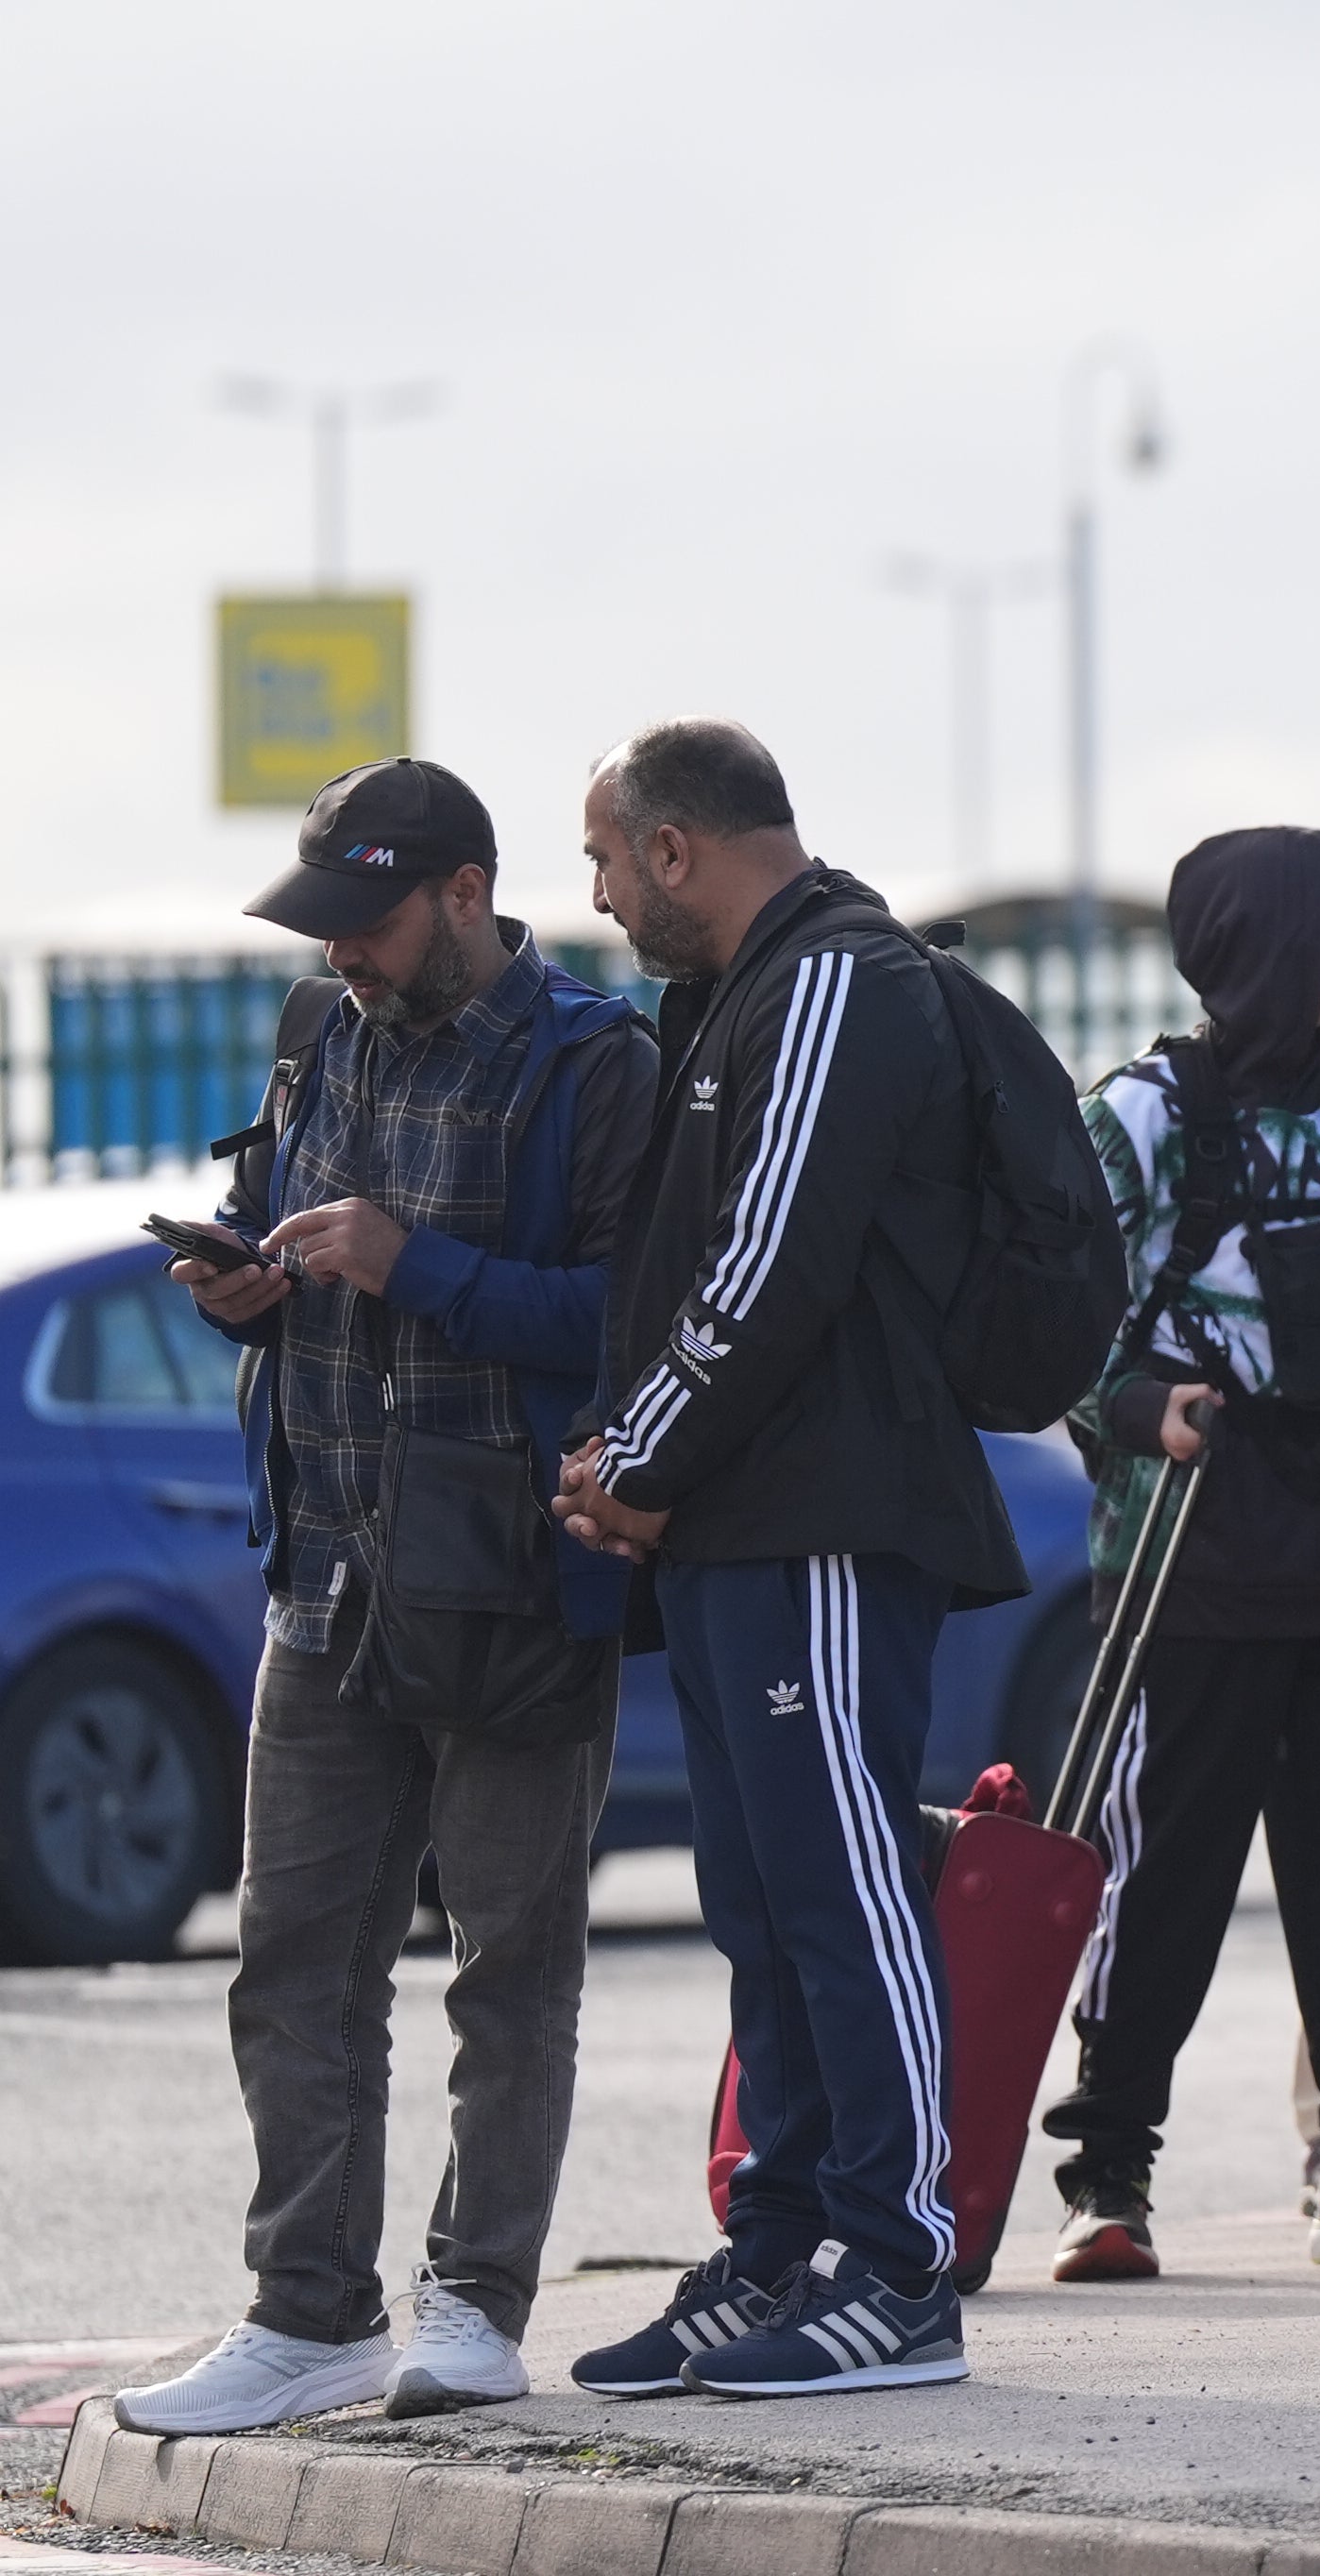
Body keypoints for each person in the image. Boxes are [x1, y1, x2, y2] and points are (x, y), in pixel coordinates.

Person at [113, 760, 655, 2436]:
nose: (344, 951)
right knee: (293, 1958)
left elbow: (636, 1319)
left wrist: (414, 1261)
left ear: (470, 893)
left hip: (505, 1581)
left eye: (370, 918)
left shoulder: (595, 1062)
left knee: (511, 1966)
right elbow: (309, 1268)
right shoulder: (316, 1032)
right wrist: (252, 1291)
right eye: (325, 923)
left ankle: (478, 2303)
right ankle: (308, 2312)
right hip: (324, 1569)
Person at [553, 718, 1027, 2399]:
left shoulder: (834, 975)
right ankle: (780, 2246)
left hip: (828, 1516)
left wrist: (640, 1456)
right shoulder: (734, 994)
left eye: (605, 857)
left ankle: (896, 2263)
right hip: (742, 1521)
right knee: (761, 1900)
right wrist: (651, 1472)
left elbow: (774, 1258)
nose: (596, 891)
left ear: (676, 847)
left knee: (846, 1890)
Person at [1041, 826, 1320, 2281]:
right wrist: (1135, 1407)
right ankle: (1108, 2178)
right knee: (1159, 1874)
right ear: (1282, 949)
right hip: (1188, 1557)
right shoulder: (1143, 1116)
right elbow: (1049, 1321)